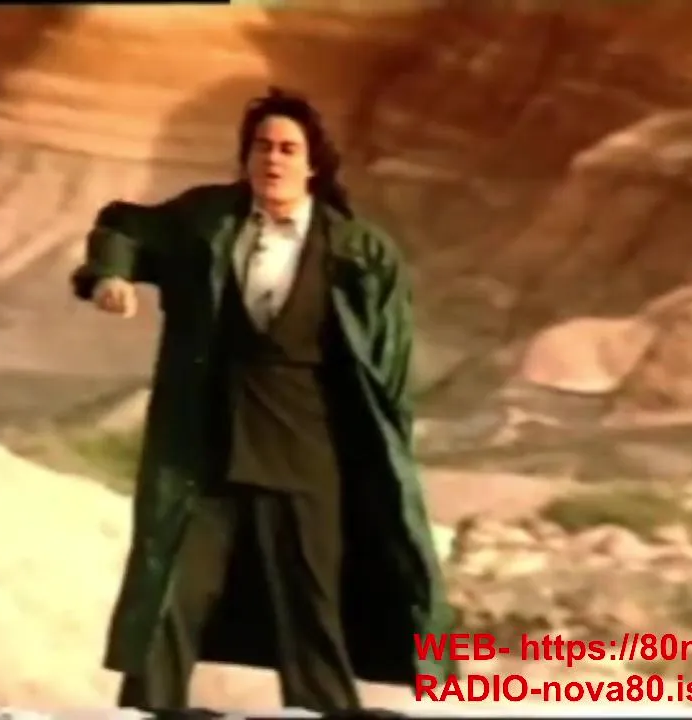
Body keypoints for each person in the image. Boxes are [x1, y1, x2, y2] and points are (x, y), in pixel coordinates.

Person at [70, 86, 455, 712]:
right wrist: (110, 275)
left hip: (307, 450)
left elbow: (388, 368)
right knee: (177, 585)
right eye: (261, 146)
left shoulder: (359, 251)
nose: (272, 159)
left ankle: (331, 707)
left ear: (313, 164)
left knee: (312, 599)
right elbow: (124, 226)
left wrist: (380, 455)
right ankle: (155, 706)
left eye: (287, 149)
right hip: (206, 446)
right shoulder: (206, 222)